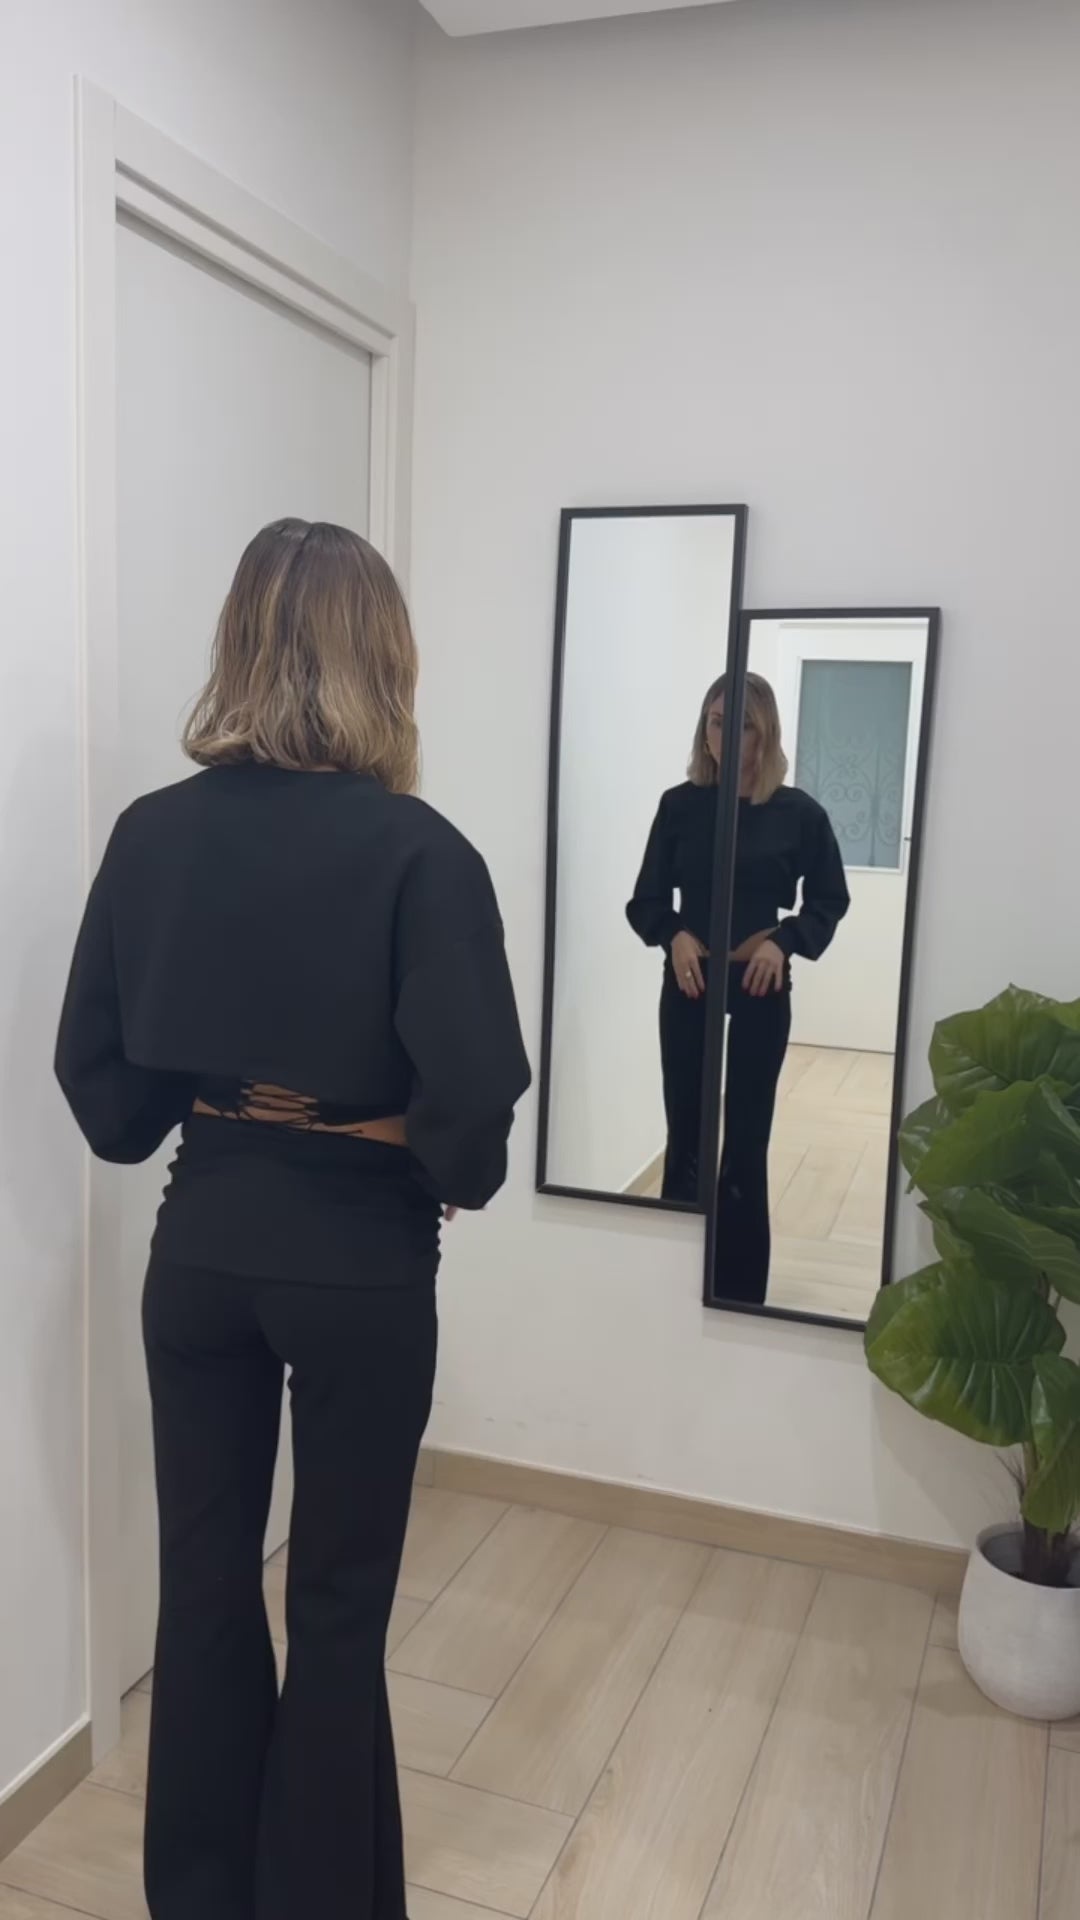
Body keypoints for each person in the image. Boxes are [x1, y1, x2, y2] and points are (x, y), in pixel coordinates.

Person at [55, 519, 531, 1920]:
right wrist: (409, 1148)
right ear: (385, 658)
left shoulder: (153, 835)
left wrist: (224, 1093)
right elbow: (473, 1117)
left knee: (203, 1590)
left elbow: (105, 1091)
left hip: (200, 1248)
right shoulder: (423, 854)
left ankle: (201, 1898)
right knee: (335, 1606)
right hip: (360, 1263)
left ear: (239, 645)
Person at [627, 671, 848, 1299]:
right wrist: (674, 935)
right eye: (717, 722)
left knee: (747, 1143)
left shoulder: (799, 814)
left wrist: (784, 942)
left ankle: (739, 1294)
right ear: (705, 729)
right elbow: (645, 900)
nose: (726, 736)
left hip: (759, 988)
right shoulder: (678, 806)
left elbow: (829, 899)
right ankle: (673, 1286)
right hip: (689, 985)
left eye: (742, 725)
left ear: (765, 733)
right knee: (686, 1136)